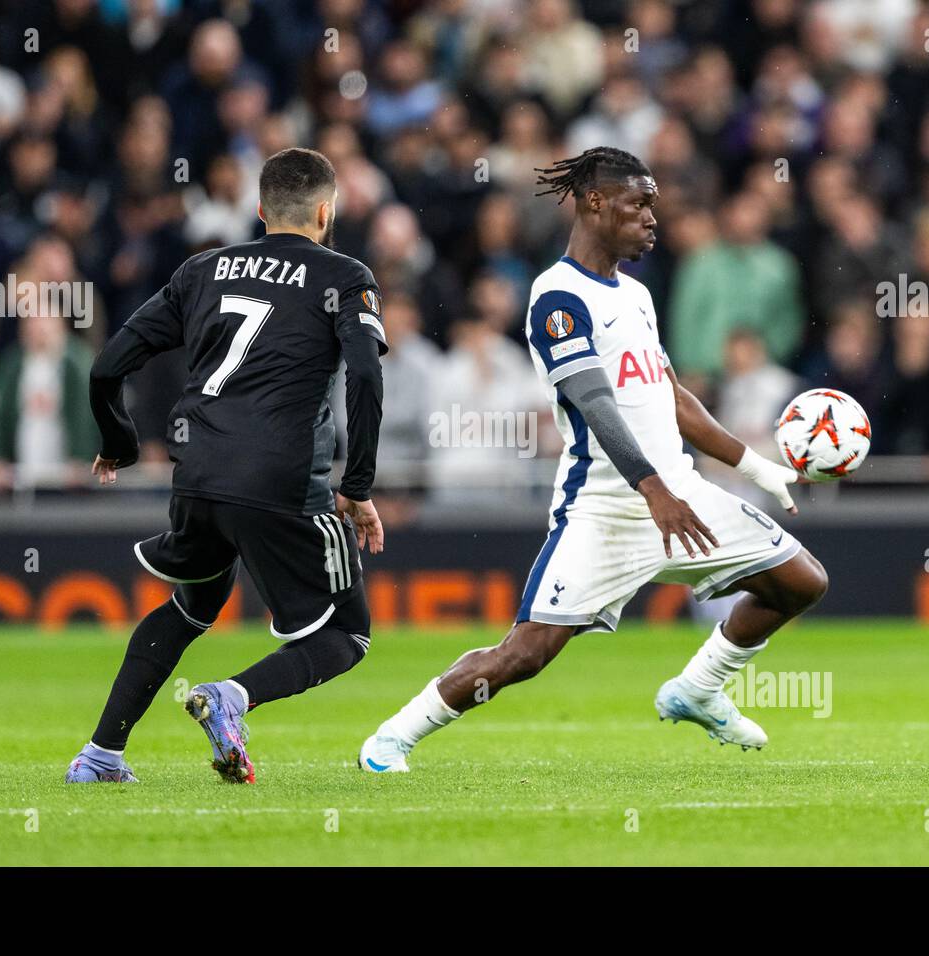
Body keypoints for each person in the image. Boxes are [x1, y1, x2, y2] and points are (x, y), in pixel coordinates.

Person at [359, 147, 828, 773]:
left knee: (799, 581)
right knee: (524, 653)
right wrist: (653, 490)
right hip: (604, 508)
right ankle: (393, 735)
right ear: (595, 202)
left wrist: (754, 467)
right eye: (640, 204)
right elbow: (595, 402)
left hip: (679, 495)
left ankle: (698, 688)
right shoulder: (556, 297)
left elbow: (672, 396)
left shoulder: (635, 294)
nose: (653, 219)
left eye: (655, 207)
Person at [66, 148, 386, 784]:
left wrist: (121, 441)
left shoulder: (203, 269)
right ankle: (230, 698)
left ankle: (100, 756)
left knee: (194, 604)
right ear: (326, 211)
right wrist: (357, 486)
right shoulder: (346, 276)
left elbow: (107, 364)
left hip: (199, 471)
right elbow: (368, 374)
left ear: (261, 209)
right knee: (348, 634)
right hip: (280, 480)